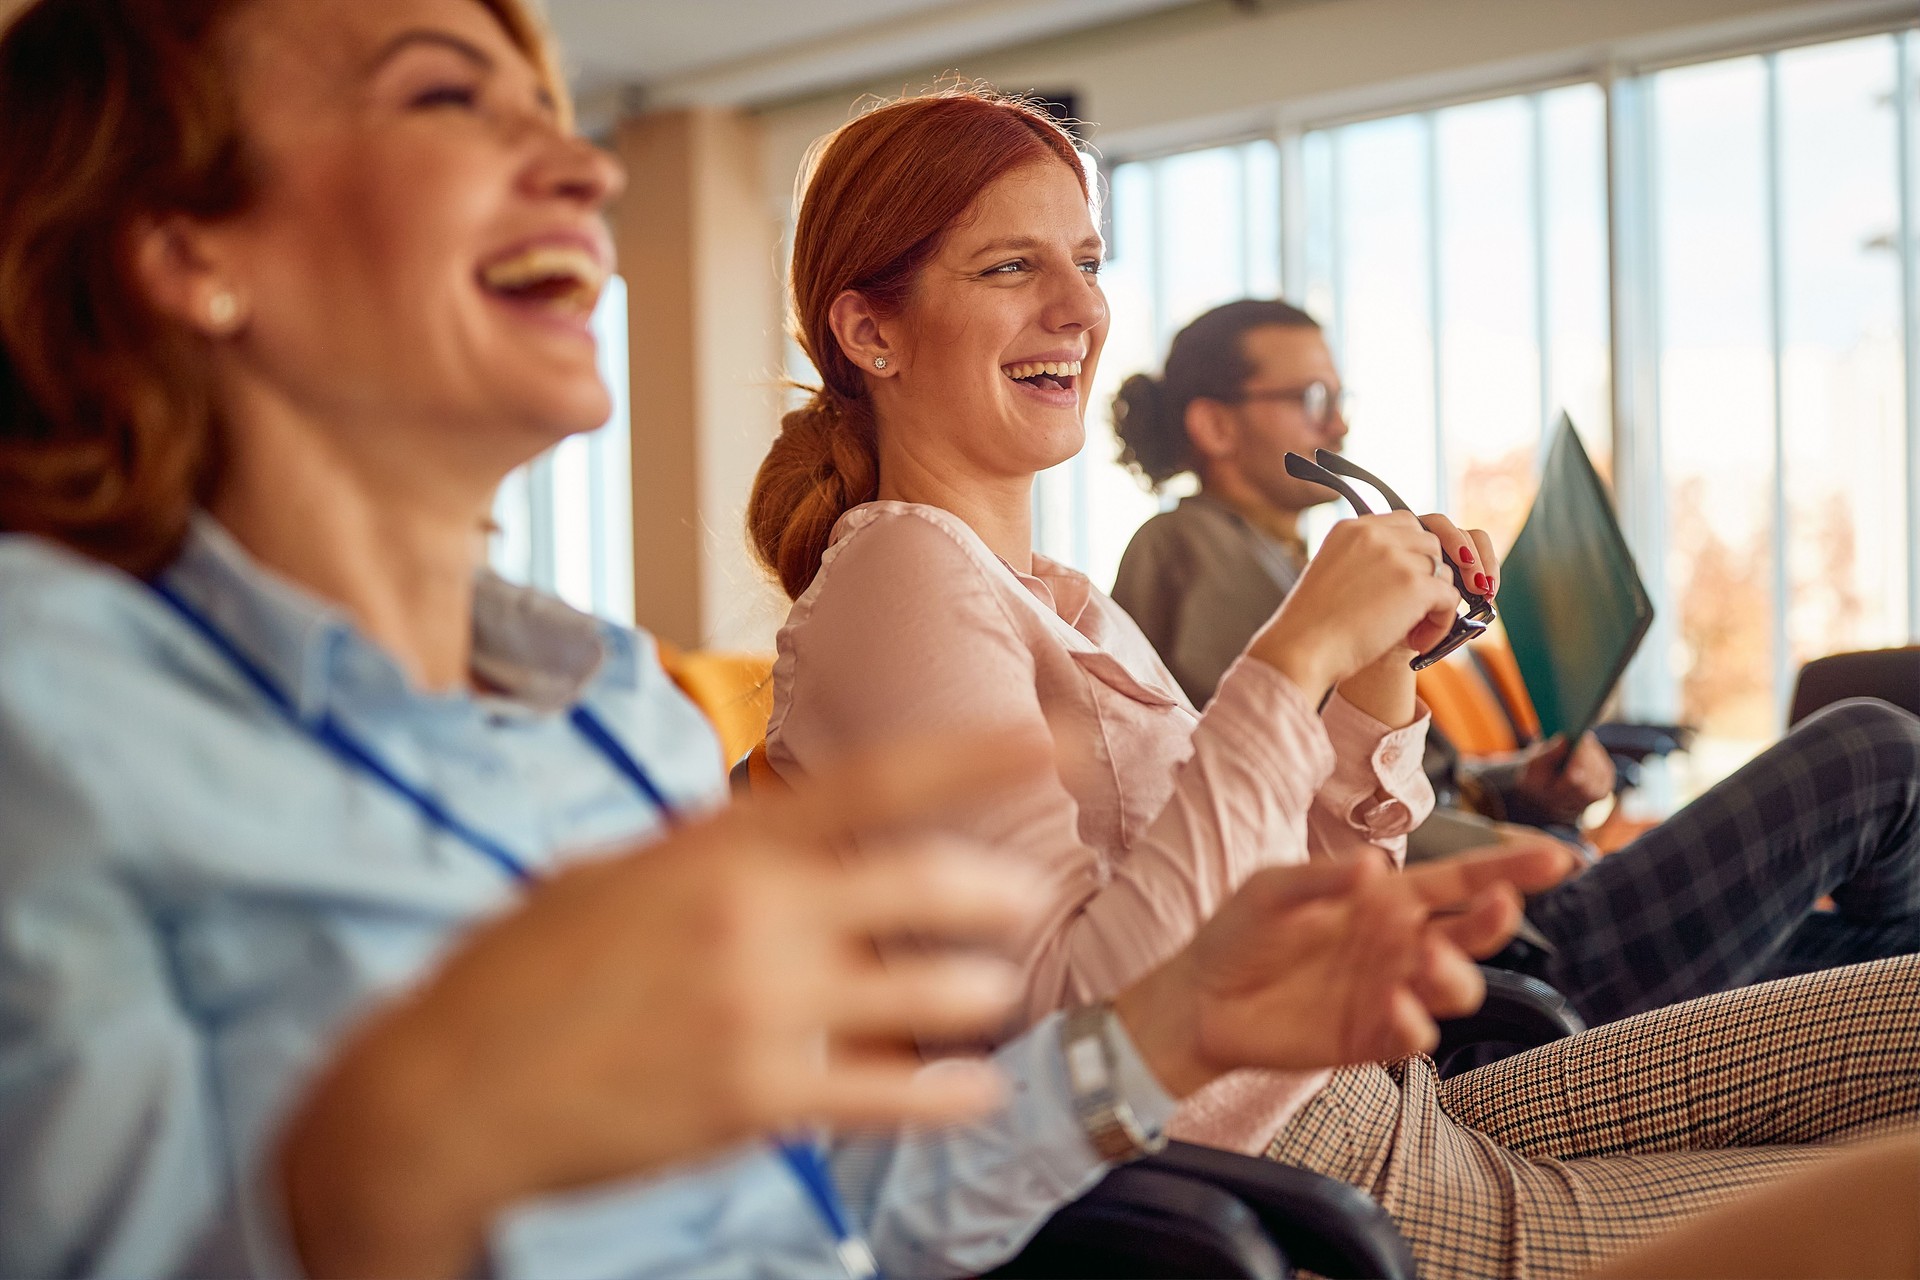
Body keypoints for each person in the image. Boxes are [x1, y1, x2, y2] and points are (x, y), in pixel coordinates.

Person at [0, 2, 1579, 1277]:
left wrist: (1151, 1040)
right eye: (440, 99)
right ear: (191, 253)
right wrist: (371, 1196)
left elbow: (831, 1222)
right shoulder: (48, 714)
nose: (588, 172)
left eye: (549, 117)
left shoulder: (614, 713)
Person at [751, 87, 1920, 1279]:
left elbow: (1306, 917)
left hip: (1393, 1106)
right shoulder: (899, 576)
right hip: (1323, 1189)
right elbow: (1074, 1024)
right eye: (1010, 265)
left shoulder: (1057, 593)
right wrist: (1293, 650)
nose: (1080, 306)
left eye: (1088, 259)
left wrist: (1371, 681)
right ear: (870, 330)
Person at [1107, 298, 1920, 1023]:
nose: (1340, 426)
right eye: (1312, 399)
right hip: (1509, 948)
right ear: (1215, 426)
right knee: (1875, 751)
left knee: (1894, 953)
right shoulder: (1191, 547)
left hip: (1524, 908)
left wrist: (1517, 789)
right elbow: (1280, 774)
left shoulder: (1287, 565)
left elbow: (1366, 773)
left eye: (1340, 399)